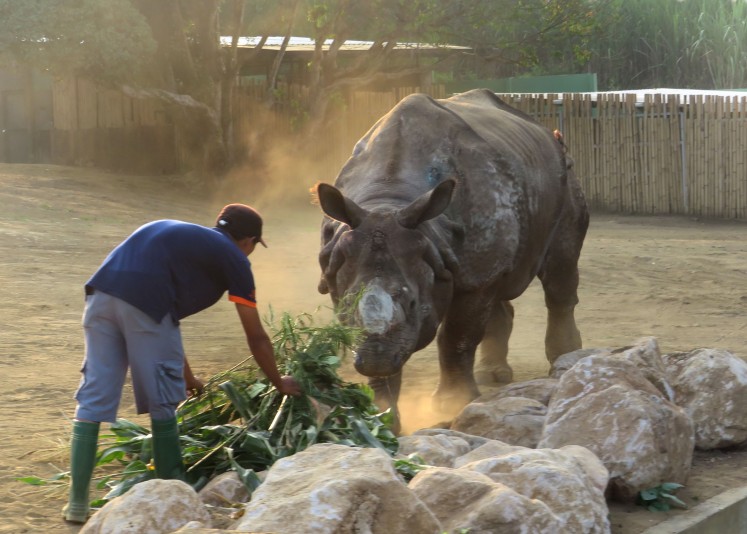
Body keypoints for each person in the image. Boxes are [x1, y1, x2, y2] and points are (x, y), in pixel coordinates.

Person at [63, 203, 302, 524]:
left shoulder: (181, 237)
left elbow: (165, 320)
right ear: (249, 240)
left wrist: (187, 374)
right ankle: (175, 488)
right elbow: (256, 336)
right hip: (145, 307)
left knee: (93, 399)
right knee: (164, 401)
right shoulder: (234, 259)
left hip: (100, 298)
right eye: (254, 246)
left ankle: (76, 505)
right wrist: (279, 382)